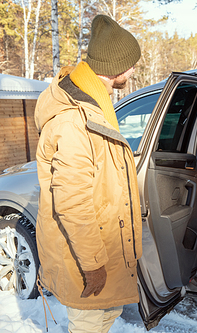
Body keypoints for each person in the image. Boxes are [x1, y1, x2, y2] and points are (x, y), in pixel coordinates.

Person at [34, 15, 142, 332]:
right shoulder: (72, 122)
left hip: (104, 246)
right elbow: (72, 202)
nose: (135, 70)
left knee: (106, 317)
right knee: (89, 323)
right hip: (86, 257)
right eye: (132, 64)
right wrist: (94, 265)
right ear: (116, 68)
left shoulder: (96, 106)